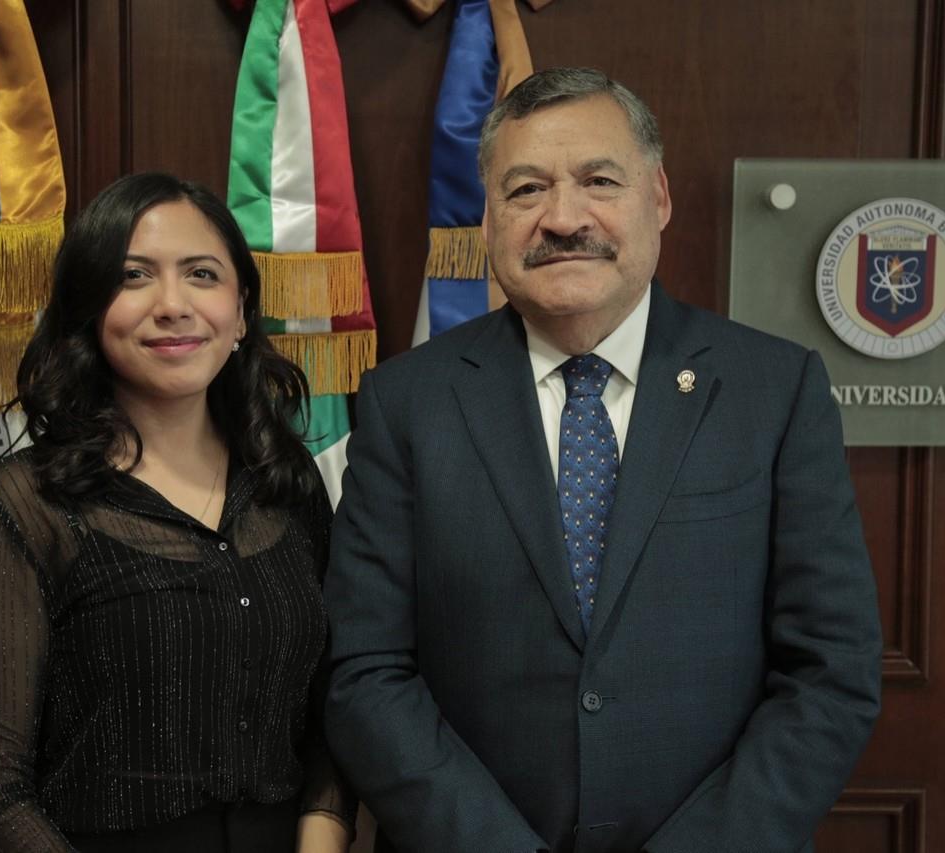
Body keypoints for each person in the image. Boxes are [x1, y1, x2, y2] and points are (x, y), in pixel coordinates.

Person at [324, 68, 882, 853]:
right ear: (486, 220)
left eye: (598, 180)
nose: (562, 218)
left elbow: (832, 670)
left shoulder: (774, 390)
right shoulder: (405, 402)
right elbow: (365, 670)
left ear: (656, 198)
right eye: (524, 190)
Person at [0, 173, 355, 852]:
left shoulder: (287, 482)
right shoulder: (22, 508)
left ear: (241, 310)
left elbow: (334, 707)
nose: (172, 304)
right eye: (134, 276)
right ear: (89, 310)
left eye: (201, 274)